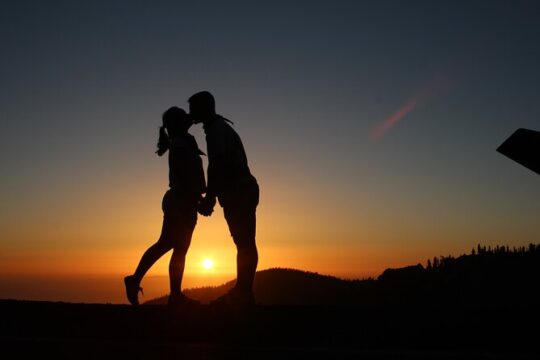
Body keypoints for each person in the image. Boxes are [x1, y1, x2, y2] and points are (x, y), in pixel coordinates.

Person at [124, 107, 206, 306]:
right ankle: (138, 281)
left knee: (176, 247)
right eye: (184, 115)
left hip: (182, 201)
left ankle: (171, 294)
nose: (189, 116)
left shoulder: (183, 141)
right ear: (178, 123)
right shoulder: (179, 144)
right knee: (170, 244)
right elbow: (185, 175)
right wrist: (197, 199)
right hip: (181, 202)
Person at [189, 91, 260, 306]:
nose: (191, 113)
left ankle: (243, 293)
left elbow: (217, 165)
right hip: (240, 191)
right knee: (244, 242)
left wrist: (210, 197)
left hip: (239, 192)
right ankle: (244, 291)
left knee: (244, 242)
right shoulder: (218, 129)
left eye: (194, 108)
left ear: (204, 108)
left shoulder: (216, 131)